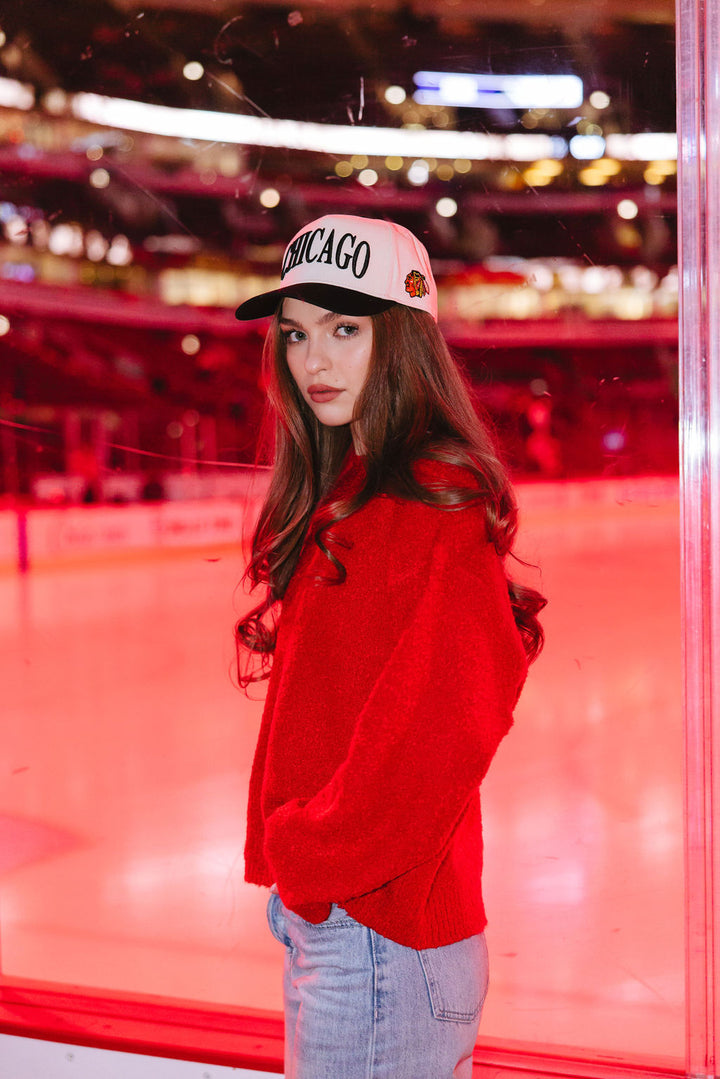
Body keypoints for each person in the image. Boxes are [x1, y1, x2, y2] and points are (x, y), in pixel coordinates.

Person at [234, 214, 545, 1079]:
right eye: (296, 334)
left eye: (344, 329)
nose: (312, 361)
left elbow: (446, 725)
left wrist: (310, 853)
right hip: (351, 930)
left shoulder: (431, 499)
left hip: (383, 938)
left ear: (403, 337)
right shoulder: (352, 491)